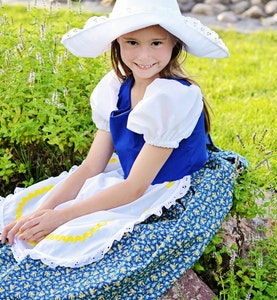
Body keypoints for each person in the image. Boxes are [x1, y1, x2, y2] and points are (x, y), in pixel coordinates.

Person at [0, 0, 247, 298]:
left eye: (156, 43)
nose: (144, 56)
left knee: (74, 240)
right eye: (132, 42)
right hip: (129, 178)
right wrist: (43, 211)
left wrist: (62, 217)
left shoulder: (174, 97)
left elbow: (134, 189)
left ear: (174, 44)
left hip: (158, 185)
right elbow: (92, 166)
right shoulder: (115, 87)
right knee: (23, 217)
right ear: (118, 42)